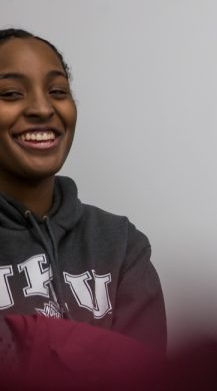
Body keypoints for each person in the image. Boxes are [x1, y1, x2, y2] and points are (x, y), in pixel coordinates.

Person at [0, 28, 166, 360]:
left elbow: (143, 374)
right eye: (12, 93)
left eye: (57, 90)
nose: (42, 108)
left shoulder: (121, 244)